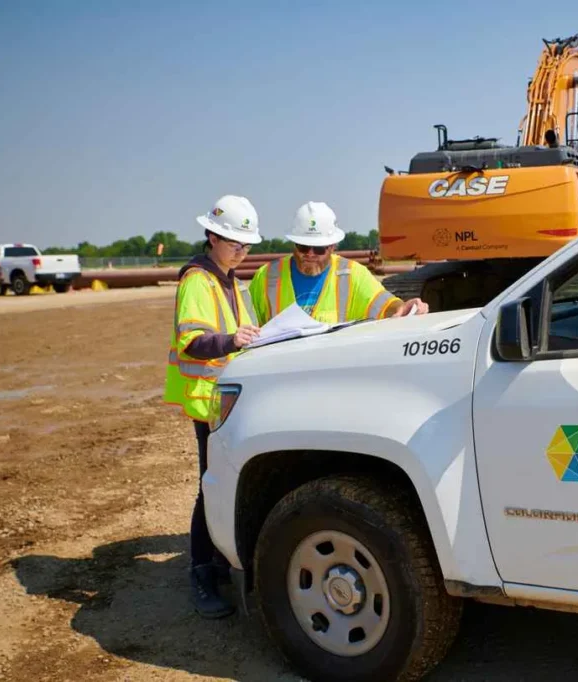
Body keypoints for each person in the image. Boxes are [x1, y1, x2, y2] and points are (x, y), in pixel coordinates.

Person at [163, 194, 262, 619]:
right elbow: (194, 341)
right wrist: (232, 341)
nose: (241, 251)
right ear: (211, 236)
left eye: (246, 245)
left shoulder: (231, 280)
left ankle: (220, 562)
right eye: (233, 243)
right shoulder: (198, 281)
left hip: (226, 398)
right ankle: (203, 573)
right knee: (210, 488)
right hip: (207, 401)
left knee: (222, 484)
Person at [249, 200, 427, 325]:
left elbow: (387, 306)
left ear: (333, 246)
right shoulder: (267, 276)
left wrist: (404, 306)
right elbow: (247, 326)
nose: (310, 254)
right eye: (303, 246)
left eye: (319, 248)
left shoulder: (352, 274)